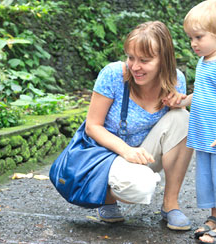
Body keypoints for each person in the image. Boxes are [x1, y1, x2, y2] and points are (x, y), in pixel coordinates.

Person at [85, 20, 193, 230]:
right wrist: (126, 151)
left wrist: (178, 103)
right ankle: (106, 196)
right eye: (131, 57)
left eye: (144, 60)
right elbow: (92, 126)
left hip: (144, 156)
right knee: (140, 189)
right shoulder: (114, 74)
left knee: (183, 118)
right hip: (107, 157)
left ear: (164, 60)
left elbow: (175, 132)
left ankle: (170, 204)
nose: (135, 67)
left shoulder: (175, 79)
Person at [163, 0, 216, 243]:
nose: (193, 43)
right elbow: (203, 94)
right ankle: (215, 218)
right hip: (204, 137)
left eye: (198, 37)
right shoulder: (204, 62)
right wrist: (181, 102)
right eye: (190, 37)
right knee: (210, 181)